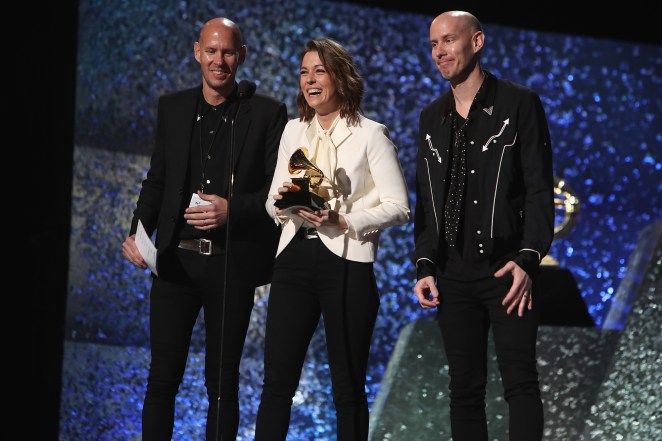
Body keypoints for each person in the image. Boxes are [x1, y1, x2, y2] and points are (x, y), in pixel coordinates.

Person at [121, 17, 287, 441]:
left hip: (231, 264)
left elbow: (275, 191)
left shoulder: (267, 112)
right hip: (175, 262)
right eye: (211, 51)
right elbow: (157, 180)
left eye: (228, 52)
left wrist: (233, 210)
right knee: (162, 379)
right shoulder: (173, 108)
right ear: (197, 52)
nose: (219, 60)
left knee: (222, 386)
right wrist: (138, 231)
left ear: (242, 56)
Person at [254, 38, 410, 440]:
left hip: (346, 261)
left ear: (340, 77)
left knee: (348, 388)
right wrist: (289, 205)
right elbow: (273, 200)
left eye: (319, 71)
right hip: (293, 259)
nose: (310, 80)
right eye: (304, 72)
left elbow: (399, 206)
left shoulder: (371, 134)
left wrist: (344, 218)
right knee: (277, 385)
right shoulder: (294, 131)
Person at [412, 11, 554, 441]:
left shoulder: (518, 103)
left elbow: (538, 188)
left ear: (476, 42)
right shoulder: (431, 117)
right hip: (453, 275)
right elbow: (427, 201)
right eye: (433, 44)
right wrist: (424, 266)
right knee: (464, 392)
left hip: (507, 270)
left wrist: (528, 259)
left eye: (448, 41)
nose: (439, 51)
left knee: (520, 383)